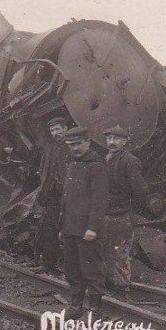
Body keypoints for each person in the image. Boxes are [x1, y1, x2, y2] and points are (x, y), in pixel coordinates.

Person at [58, 126, 108, 318]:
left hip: (87, 229)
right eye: (71, 145)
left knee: (91, 269)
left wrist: (93, 228)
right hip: (70, 227)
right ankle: (76, 305)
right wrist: (62, 227)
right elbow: (66, 199)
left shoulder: (96, 166)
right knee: (72, 269)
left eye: (78, 143)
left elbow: (99, 201)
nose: (75, 148)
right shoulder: (73, 164)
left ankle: (94, 308)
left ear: (88, 142)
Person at [102, 124, 154, 292]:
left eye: (116, 139)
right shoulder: (107, 158)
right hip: (108, 212)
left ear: (124, 142)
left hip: (123, 214)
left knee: (120, 251)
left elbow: (141, 189)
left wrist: (130, 206)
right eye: (109, 138)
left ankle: (123, 286)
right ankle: (110, 282)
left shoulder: (129, 160)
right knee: (107, 249)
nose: (112, 142)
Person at [33, 117, 71, 272]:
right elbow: (43, 169)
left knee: (69, 231)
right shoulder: (49, 148)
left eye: (58, 129)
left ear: (65, 129)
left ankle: (71, 268)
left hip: (68, 197)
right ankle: (48, 264)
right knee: (49, 230)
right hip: (51, 195)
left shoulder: (71, 148)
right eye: (52, 130)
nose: (55, 133)